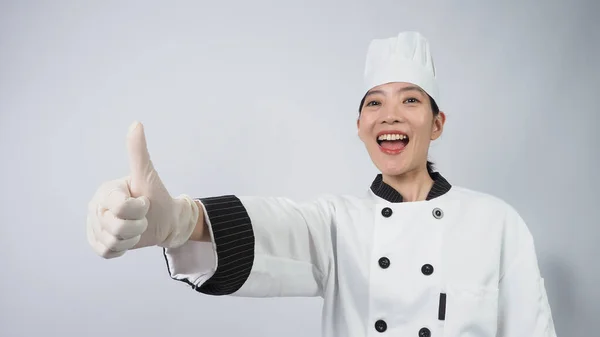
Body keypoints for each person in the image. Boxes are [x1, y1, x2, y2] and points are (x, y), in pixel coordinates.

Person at [86, 31, 557, 337]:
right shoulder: (338, 223)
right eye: (374, 103)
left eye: (410, 100)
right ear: (359, 126)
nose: (390, 114)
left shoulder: (496, 223)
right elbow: (276, 229)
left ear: (436, 124)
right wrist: (183, 221)